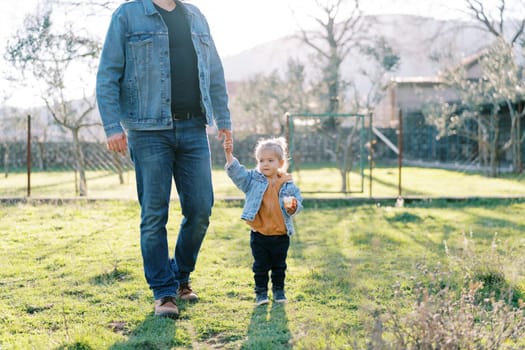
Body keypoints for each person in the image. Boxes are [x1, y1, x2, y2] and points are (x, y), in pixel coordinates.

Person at [96, 0, 232, 319]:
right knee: (155, 214)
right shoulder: (127, 15)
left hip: (194, 127)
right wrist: (112, 126)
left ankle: (181, 276)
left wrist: (223, 119)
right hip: (147, 130)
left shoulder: (196, 16)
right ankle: (164, 292)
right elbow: (107, 75)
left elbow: (214, 71)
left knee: (200, 208)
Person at [224, 137, 302, 306]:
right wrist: (229, 155)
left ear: (280, 163)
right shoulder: (253, 180)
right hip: (259, 234)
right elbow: (238, 174)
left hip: (281, 235)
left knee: (279, 266)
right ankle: (261, 293)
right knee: (260, 266)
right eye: (261, 160)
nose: (265, 164)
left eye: (270, 160)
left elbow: (297, 203)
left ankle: (279, 291)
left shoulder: (288, 184)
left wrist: (293, 207)